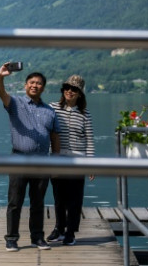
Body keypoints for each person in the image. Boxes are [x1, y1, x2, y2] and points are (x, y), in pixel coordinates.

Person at [0, 62, 61, 252]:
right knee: (15, 201)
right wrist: (1, 77)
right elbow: (1, 93)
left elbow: (55, 138)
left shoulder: (50, 111)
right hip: (19, 159)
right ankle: (11, 239)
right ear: (25, 85)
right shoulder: (15, 103)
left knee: (38, 203)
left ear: (43, 87)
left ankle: (37, 237)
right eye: (31, 82)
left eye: (38, 83)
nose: (34, 85)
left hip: (42, 161)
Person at [47, 74, 95, 246]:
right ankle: (59, 229)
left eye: (74, 89)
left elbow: (89, 139)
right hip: (57, 159)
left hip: (78, 160)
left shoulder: (85, 114)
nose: (69, 91)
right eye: (66, 88)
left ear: (80, 93)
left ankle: (71, 232)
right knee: (59, 197)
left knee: (75, 198)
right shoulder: (52, 108)